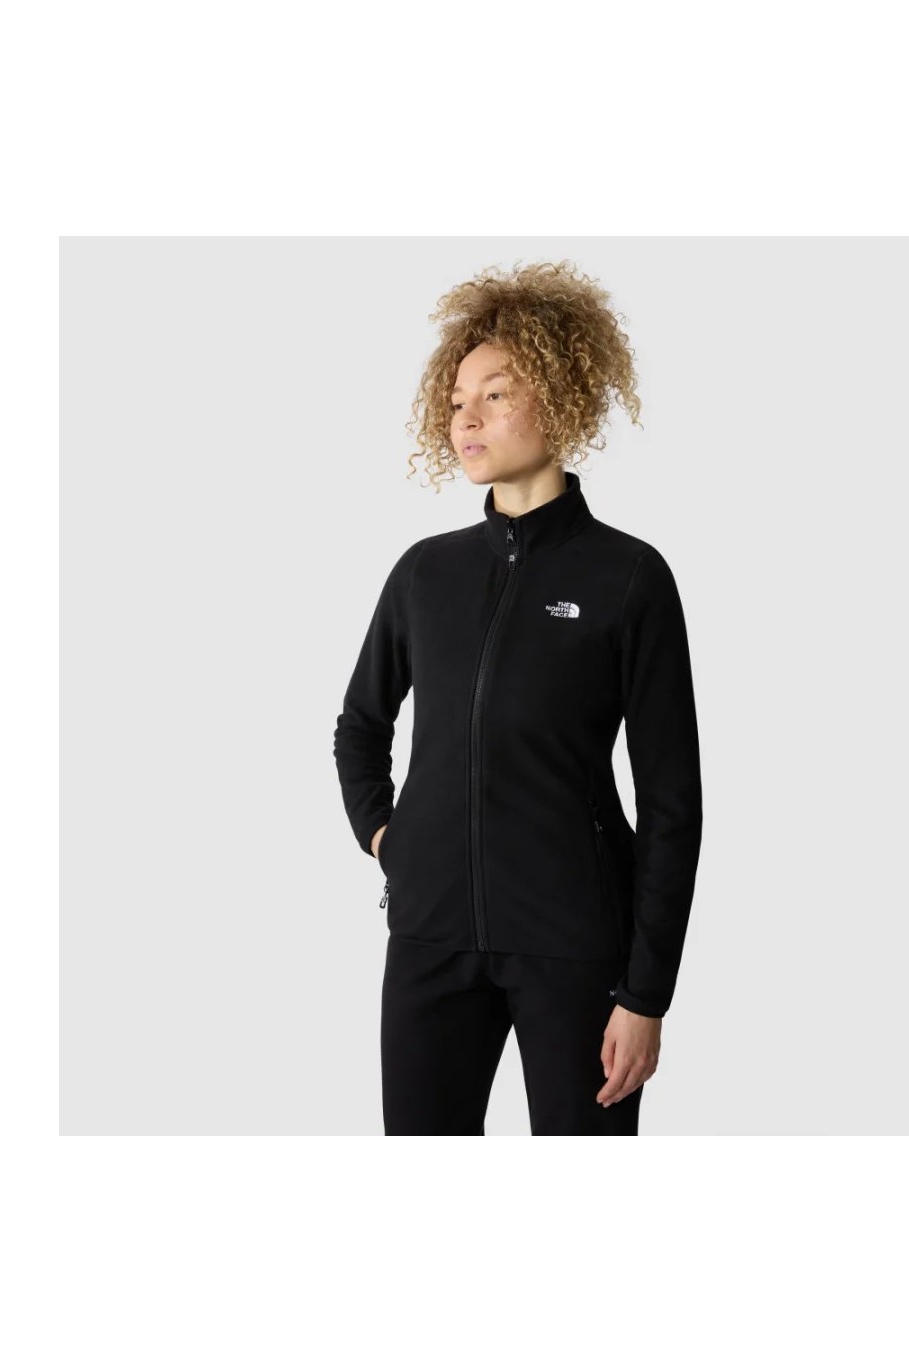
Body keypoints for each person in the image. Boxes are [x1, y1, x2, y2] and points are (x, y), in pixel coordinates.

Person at [333, 260, 703, 1135]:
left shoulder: (628, 577)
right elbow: (360, 725)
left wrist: (646, 993)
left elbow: (673, 802)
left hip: (575, 950)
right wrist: (389, 837)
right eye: (458, 399)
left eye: (496, 394)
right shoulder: (426, 574)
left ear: (561, 395)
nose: (467, 417)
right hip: (429, 940)